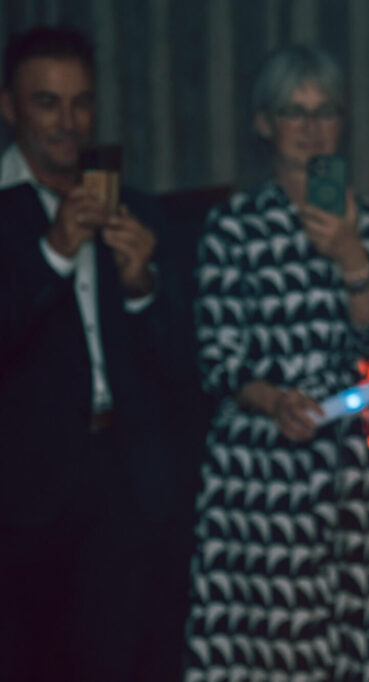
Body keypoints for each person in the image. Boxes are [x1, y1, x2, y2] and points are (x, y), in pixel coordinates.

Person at [183, 45, 369, 681]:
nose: (311, 127)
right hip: (263, 469)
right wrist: (274, 400)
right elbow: (216, 358)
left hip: (356, 468)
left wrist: (351, 257)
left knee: (360, 641)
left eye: (325, 111)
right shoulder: (235, 226)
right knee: (266, 646)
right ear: (264, 123)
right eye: (294, 112)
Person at [0, 25, 191, 681]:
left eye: (81, 102)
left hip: (124, 485)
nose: (68, 121)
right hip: (21, 496)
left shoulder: (136, 210)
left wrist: (142, 286)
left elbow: (184, 368)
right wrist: (54, 252)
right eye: (47, 102)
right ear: (9, 107)